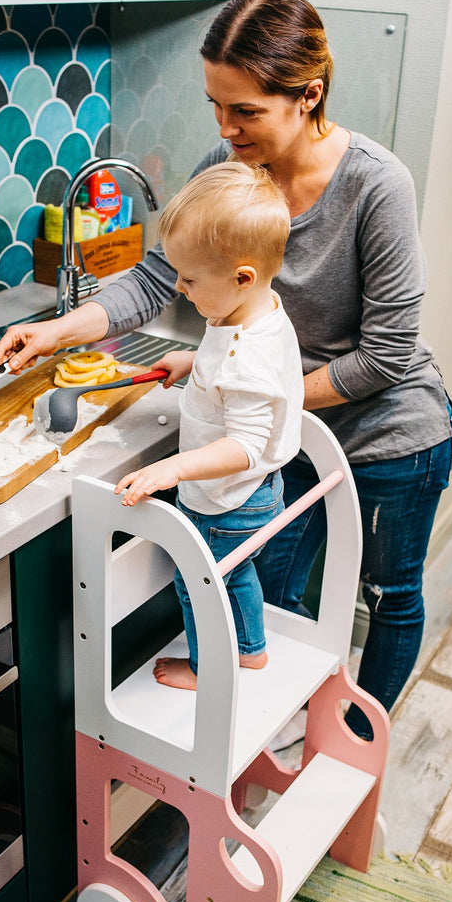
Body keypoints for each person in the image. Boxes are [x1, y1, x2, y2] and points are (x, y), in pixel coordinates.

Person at [0, 0, 452, 736]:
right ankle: (281, 729)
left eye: (245, 111)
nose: (225, 128)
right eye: (215, 105)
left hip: (388, 430)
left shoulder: (377, 185)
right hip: (281, 432)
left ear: (308, 96)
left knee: (389, 596)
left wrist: (245, 394)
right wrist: (60, 329)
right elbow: (159, 276)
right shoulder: (229, 162)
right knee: (267, 591)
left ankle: (351, 742)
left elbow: (386, 357)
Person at [113, 163, 304, 691]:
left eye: (190, 279)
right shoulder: (255, 311)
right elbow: (233, 366)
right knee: (236, 575)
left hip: (228, 500)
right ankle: (251, 650)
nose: (178, 287)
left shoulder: (247, 354)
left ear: (242, 277)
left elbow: (244, 446)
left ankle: (209, 669)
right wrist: (194, 359)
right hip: (253, 493)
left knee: (199, 583)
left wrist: (172, 469)